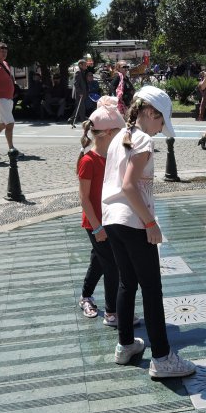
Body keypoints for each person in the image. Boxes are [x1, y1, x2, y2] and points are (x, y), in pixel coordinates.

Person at [102, 86, 196, 379]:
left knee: (127, 283)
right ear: (148, 113)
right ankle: (162, 359)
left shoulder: (120, 136)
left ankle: (126, 345)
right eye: (160, 121)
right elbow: (130, 186)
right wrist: (150, 224)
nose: (159, 129)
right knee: (152, 291)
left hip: (112, 220)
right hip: (133, 222)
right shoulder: (141, 140)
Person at [76, 96, 132, 326]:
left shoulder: (113, 156)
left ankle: (86, 295)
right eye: (119, 132)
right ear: (108, 133)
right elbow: (84, 198)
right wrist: (97, 227)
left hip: (111, 220)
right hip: (95, 222)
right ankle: (112, 313)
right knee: (113, 266)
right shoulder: (89, 160)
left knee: (99, 261)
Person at [70, 58, 91, 125]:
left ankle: (72, 119)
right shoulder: (78, 72)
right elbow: (76, 84)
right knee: (81, 107)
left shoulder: (82, 71)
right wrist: (80, 92)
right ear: (80, 65)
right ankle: (83, 121)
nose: (86, 66)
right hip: (79, 93)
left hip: (82, 93)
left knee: (79, 107)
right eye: (85, 65)